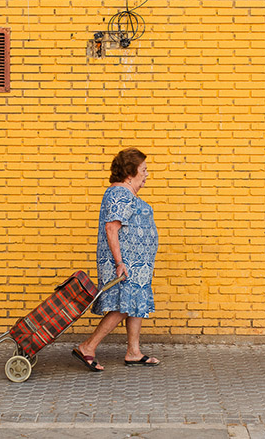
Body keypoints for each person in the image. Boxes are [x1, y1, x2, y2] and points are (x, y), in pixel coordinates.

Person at [71, 148, 161, 371]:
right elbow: (112, 228)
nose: (147, 174)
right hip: (126, 262)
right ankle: (88, 347)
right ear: (130, 173)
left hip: (137, 264)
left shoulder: (127, 194)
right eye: (144, 169)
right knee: (123, 305)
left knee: (134, 305)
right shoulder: (120, 193)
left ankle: (133, 352)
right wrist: (120, 262)